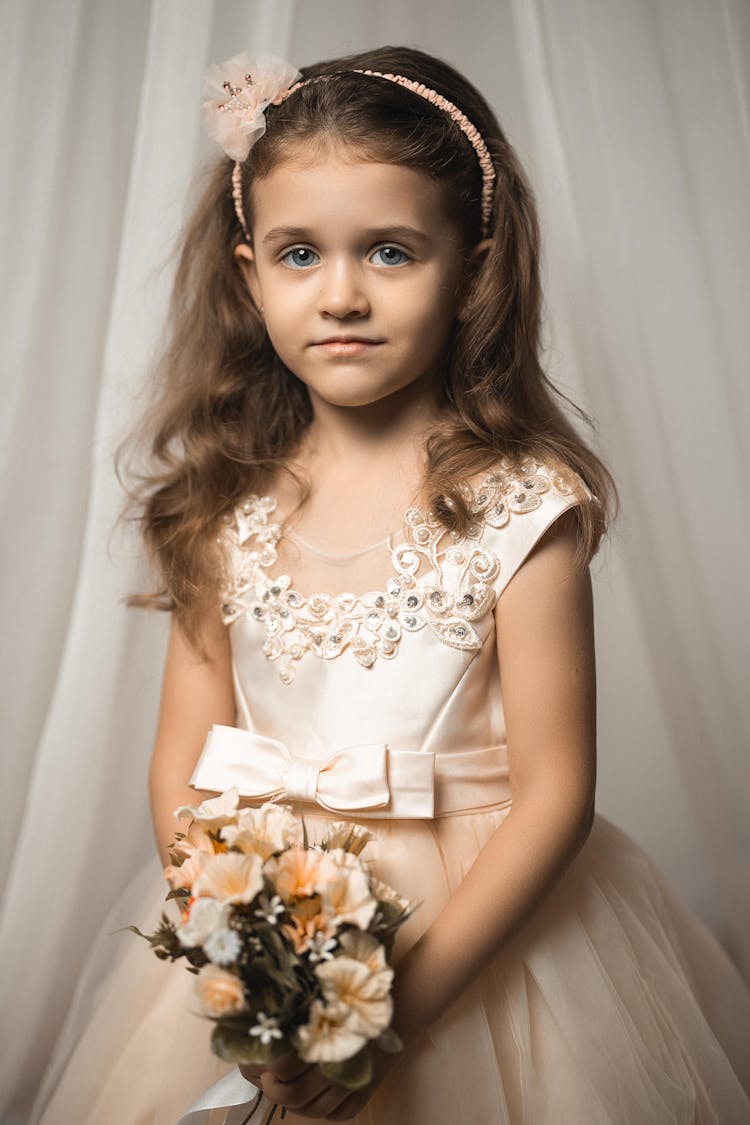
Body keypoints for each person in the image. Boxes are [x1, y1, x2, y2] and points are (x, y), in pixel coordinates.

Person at [32, 44, 750, 1125]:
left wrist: (397, 1005)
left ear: (474, 269)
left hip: (467, 938)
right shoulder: (219, 505)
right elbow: (182, 763)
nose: (343, 294)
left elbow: (557, 795)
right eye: (299, 254)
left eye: (392, 251)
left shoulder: (521, 505)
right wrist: (241, 955)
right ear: (249, 274)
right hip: (276, 921)